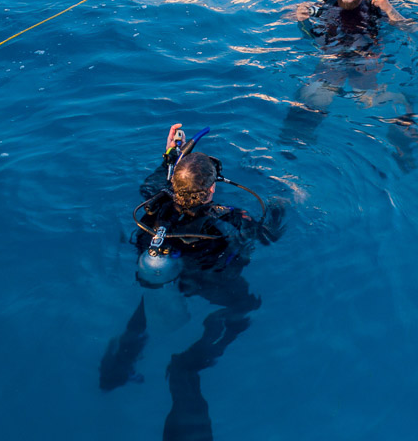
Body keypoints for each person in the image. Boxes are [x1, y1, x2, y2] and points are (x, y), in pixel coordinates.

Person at [101, 124, 286, 441]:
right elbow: (266, 235)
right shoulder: (230, 216)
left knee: (149, 306)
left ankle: (117, 369)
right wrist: (282, 207)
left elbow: (162, 178)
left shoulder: (153, 202)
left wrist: (171, 155)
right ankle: (204, 349)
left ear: (173, 183)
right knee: (244, 307)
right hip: (209, 280)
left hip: (166, 273)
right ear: (211, 191)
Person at [281, 0, 418, 166]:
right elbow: (286, 17)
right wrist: (300, 17)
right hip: (333, 59)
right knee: (311, 99)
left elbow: (412, 28)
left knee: (371, 102)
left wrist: (388, 8)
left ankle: (405, 151)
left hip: (365, 60)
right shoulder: (327, 5)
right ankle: (289, 154)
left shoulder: (374, 7)